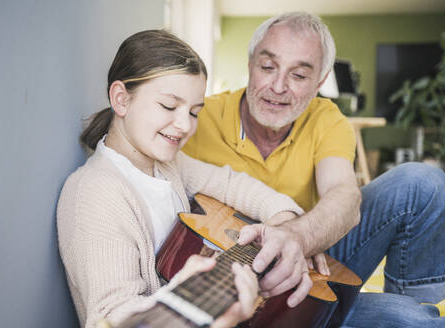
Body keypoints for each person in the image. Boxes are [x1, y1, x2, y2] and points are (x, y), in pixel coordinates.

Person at [182, 12, 445, 327]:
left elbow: (343, 194)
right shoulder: (197, 116)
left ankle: (415, 306)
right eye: (268, 67)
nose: (278, 86)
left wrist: (298, 237)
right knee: (411, 322)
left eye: (299, 75)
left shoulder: (327, 119)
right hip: (226, 276)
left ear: (320, 82)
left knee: (424, 183)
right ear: (250, 64)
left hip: (313, 267)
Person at [56, 29, 309, 328]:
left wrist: (287, 226)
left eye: (194, 112)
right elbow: (112, 314)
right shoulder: (94, 194)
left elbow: (233, 184)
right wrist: (176, 298)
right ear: (121, 99)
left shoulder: (167, 164)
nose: (184, 125)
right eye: (169, 106)